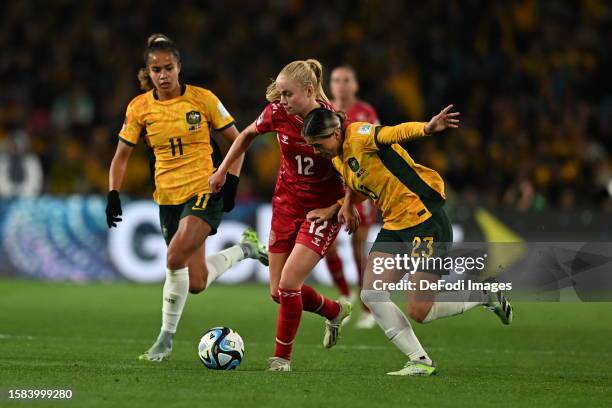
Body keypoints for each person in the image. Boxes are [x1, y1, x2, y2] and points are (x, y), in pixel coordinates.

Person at [302, 105, 513, 376]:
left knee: (420, 309)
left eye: (318, 145)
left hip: (425, 221)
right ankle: (420, 361)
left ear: (334, 132)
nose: (317, 152)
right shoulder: (336, 157)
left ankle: (485, 295)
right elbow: (363, 184)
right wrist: (341, 206)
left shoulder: (359, 135)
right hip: (395, 226)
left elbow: (393, 133)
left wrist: (427, 128)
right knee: (372, 294)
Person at [106, 34, 268, 362]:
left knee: (173, 256)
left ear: (179, 67)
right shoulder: (139, 108)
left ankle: (165, 339)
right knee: (196, 282)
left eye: (168, 68)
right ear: (148, 72)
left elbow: (237, 141)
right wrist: (112, 193)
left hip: (205, 189)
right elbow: (121, 156)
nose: (163, 75)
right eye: (156, 69)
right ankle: (245, 249)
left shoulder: (202, 99)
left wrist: (231, 181)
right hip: (167, 198)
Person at [209, 59, 355, 372]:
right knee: (278, 292)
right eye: (279, 93)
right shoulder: (277, 113)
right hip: (285, 206)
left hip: (322, 211)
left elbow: (359, 174)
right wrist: (223, 171)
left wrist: (336, 208)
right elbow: (246, 134)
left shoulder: (333, 122)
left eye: (287, 94)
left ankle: (281, 359)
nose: (282, 100)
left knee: (290, 284)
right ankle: (334, 311)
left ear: (309, 90)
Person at [327, 65, 381, 328]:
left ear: (355, 85)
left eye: (346, 80)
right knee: (327, 245)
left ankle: (368, 307)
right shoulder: (324, 110)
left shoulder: (366, 113)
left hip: (358, 184)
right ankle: (344, 295)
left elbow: (378, 146)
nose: (340, 85)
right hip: (331, 185)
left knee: (358, 247)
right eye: (336, 80)